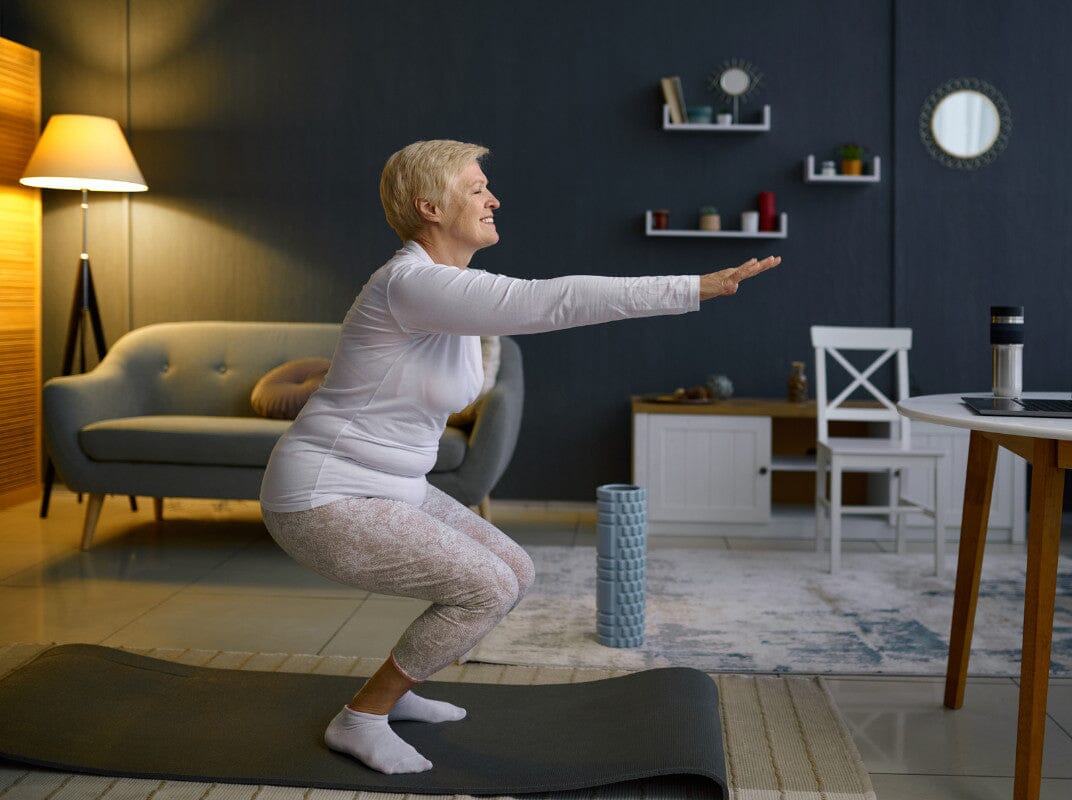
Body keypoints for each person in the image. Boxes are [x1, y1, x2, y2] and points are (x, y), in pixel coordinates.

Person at [259, 139, 780, 775]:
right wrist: (692, 287)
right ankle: (361, 719)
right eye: (476, 188)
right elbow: (554, 301)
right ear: (429, 206)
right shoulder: (411, 283)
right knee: (485, 586)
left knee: (515, 569)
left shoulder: (451, 290)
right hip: (324, 494)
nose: (493, 197)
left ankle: (402, 691)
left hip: (391, 484)